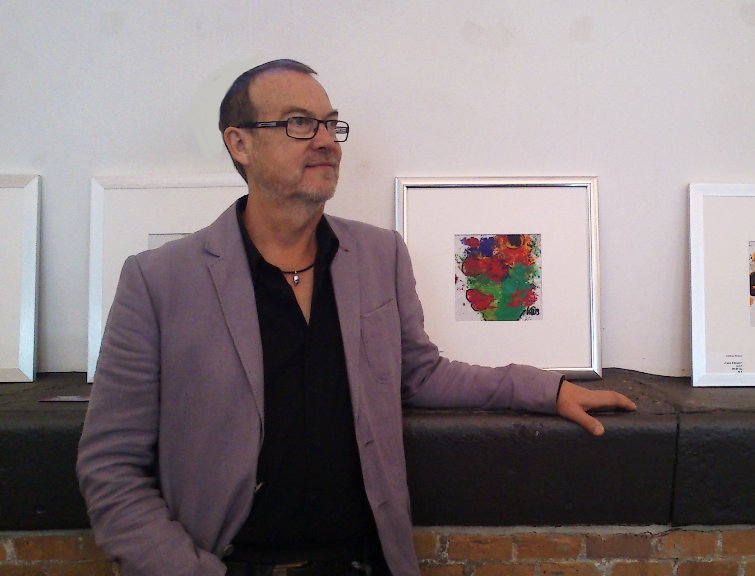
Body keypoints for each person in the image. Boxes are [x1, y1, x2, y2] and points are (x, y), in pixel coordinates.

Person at [77, 58, 636, 576]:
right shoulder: (158, 280)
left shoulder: (378, 254)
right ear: (239, 143)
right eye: (299, 123)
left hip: (363, 562)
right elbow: (110, 466)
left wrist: (545, 389)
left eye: (330, 124)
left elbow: (420, 374)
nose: (325, 140)